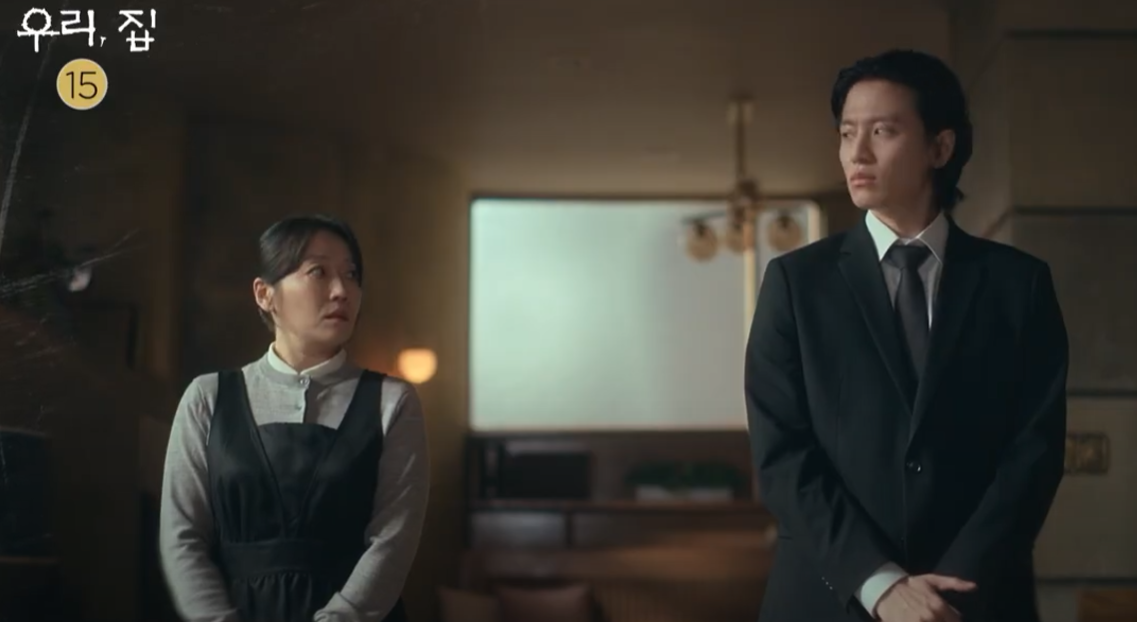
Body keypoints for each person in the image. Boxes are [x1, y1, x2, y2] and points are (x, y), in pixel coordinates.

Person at [745, 49, 1068, 622]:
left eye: (882, 131)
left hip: (976, 600)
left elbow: (1033, 452)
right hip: (830, 598)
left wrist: (952, 591)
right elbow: (782, 455)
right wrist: (880, 584)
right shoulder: (796, 283)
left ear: (940, 148)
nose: (857, 153)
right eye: (847, 133)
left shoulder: (1018, 285)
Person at [159, 214, 430, 622]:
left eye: (351, 275)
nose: (341, 291)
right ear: (265, 294)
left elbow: (393, 538)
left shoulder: (392, 401)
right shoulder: (208, 397)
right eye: (318, 272)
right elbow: (182, 536)